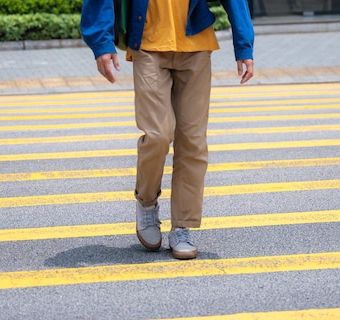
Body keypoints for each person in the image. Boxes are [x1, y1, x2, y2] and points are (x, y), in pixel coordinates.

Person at [80, 0, 255, 259]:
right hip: (149, 43)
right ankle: (147, 202)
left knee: (192, 141)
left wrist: (244, 44)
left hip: (195, 43)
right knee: (158, 135)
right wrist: (101, 42)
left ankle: (182, 226)